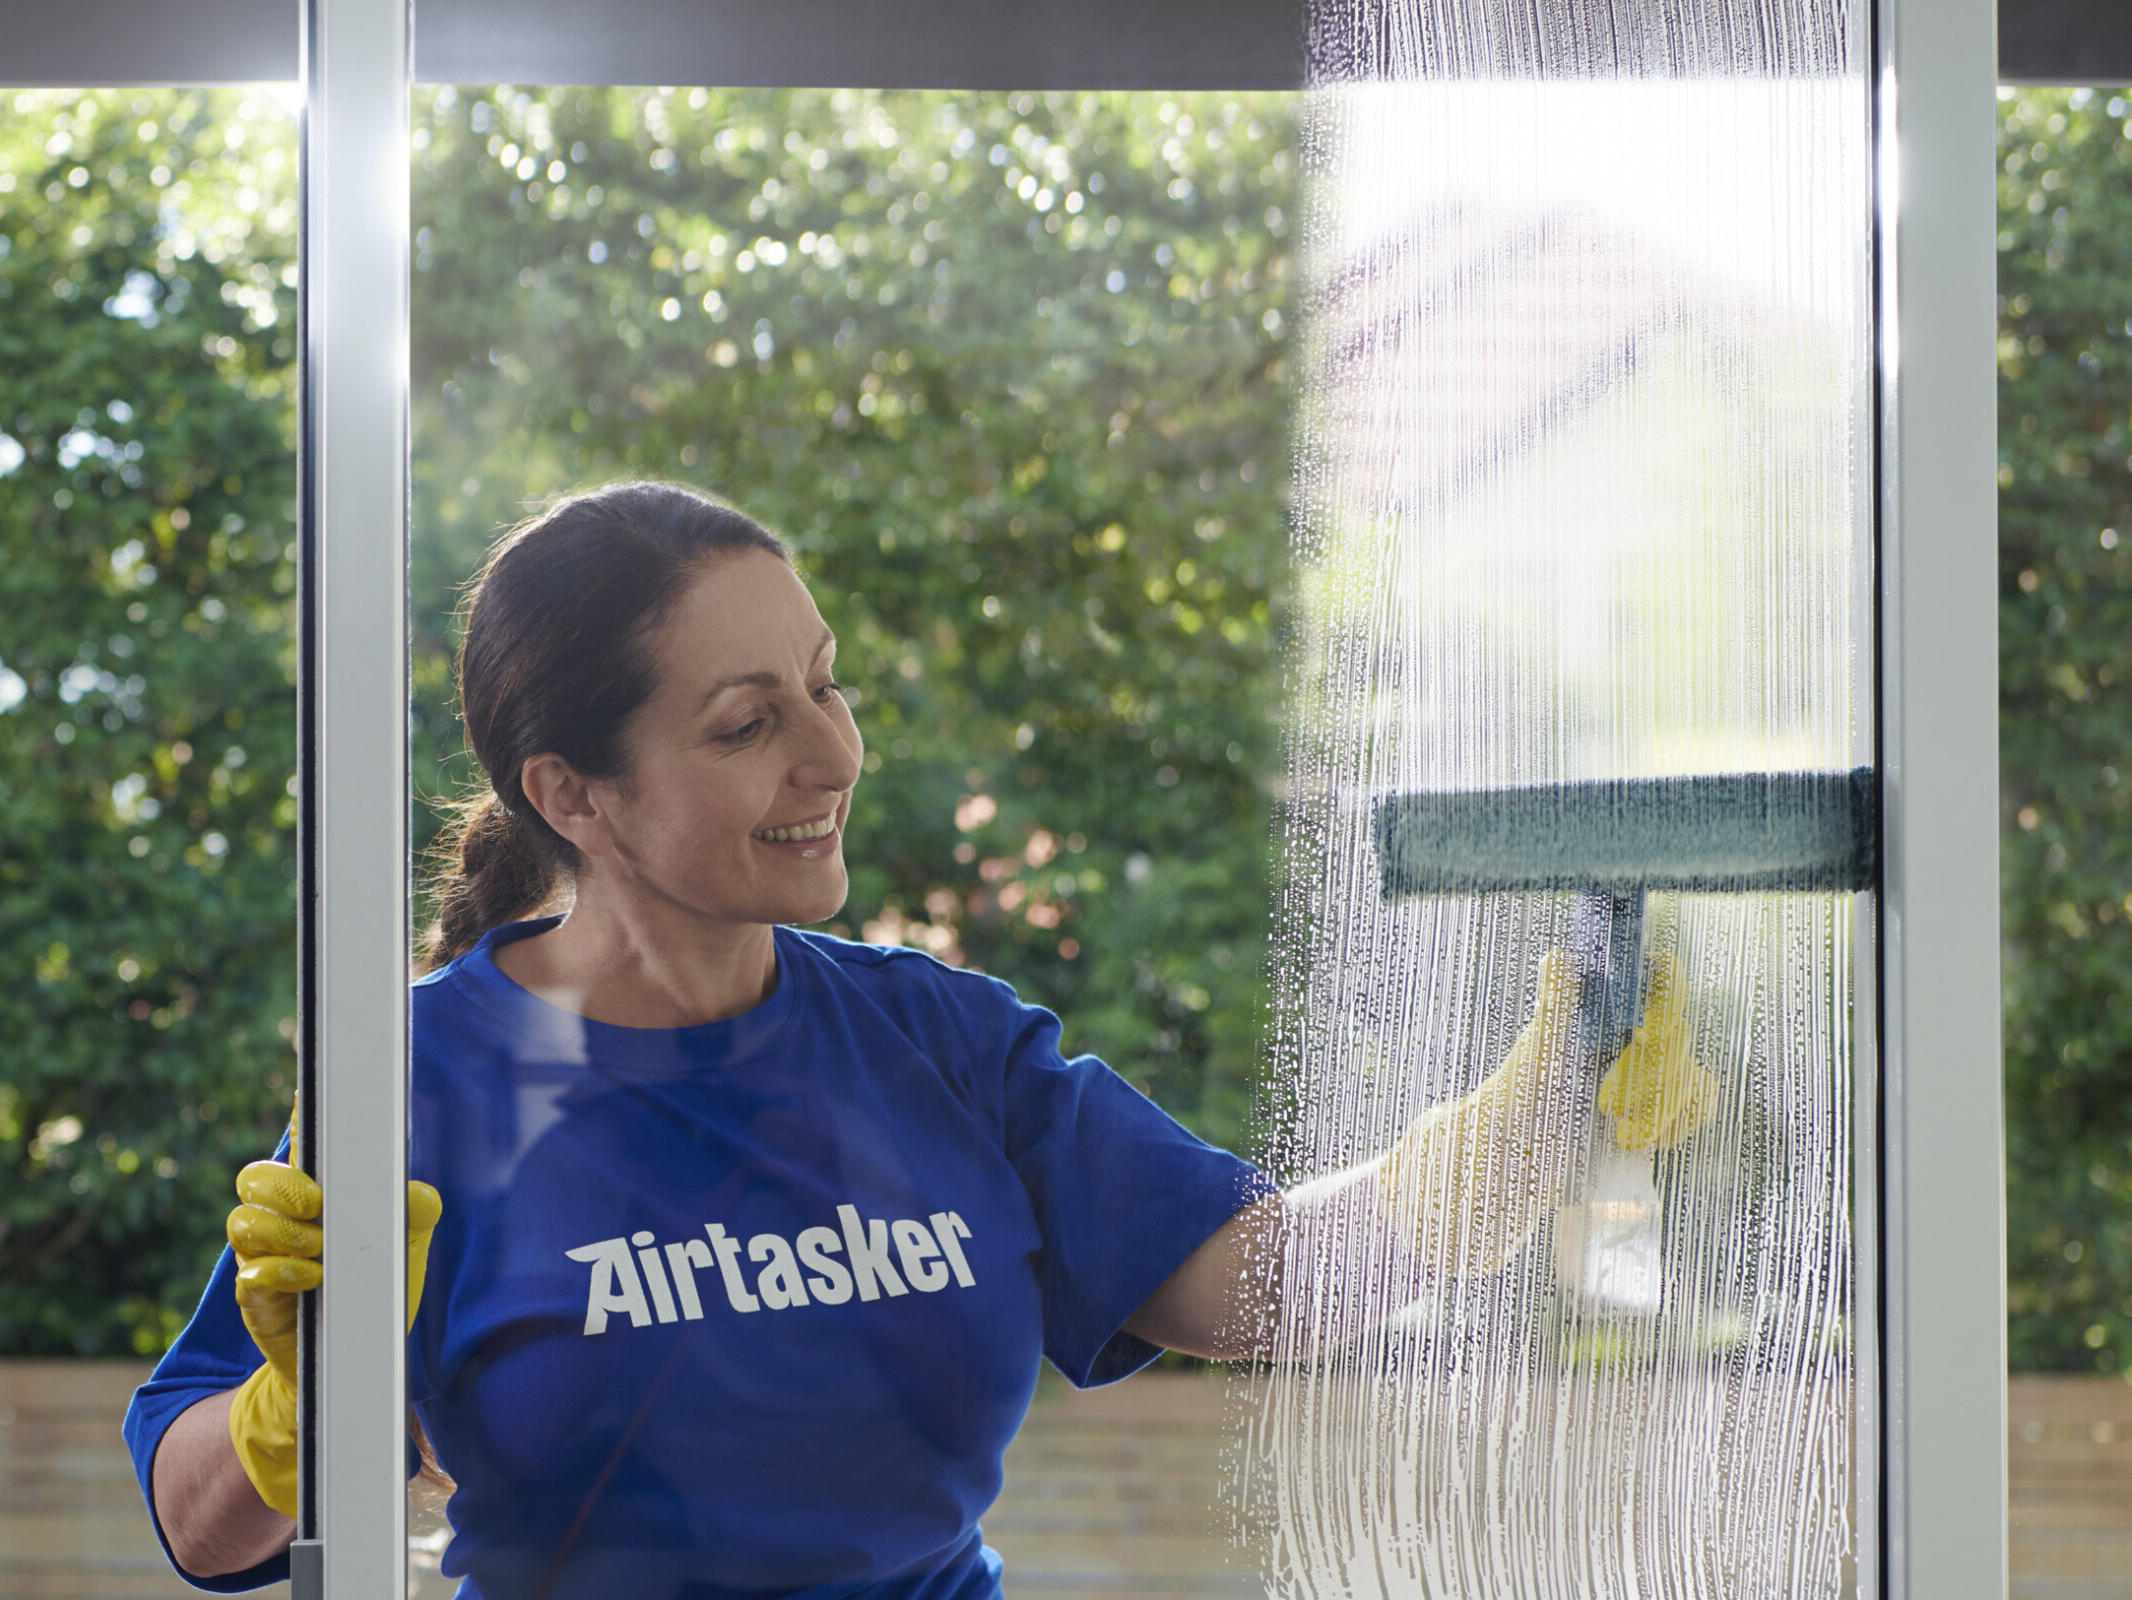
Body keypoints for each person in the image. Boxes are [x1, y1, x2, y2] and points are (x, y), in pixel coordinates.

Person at [122, 481, 1712, 1599]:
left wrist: (1532, 1120)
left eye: (825, 686)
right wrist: (300, 1404)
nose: (832, 754)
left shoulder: (934, 1042)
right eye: (747, 723)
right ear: (572, 795)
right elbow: (203, 1531)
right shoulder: (419, 1086)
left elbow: (1254, 1279)